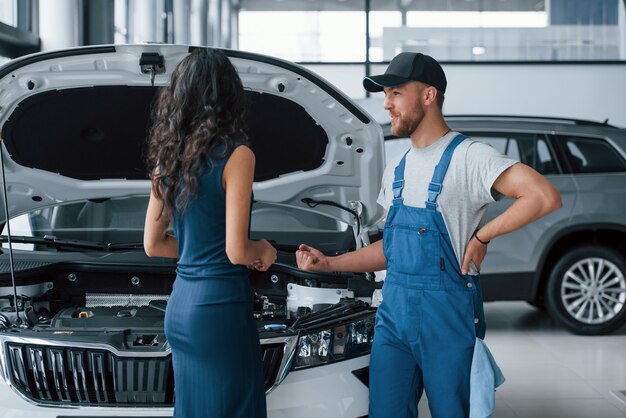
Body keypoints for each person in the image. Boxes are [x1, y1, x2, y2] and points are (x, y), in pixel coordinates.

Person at [296, 52, 562, 417]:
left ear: (428, 95)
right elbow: (391, 250)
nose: (386, 104)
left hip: (446, 318)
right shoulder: (397, 170)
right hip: (393, 315)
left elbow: (543, 196)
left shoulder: (470, 156)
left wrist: (483, 236)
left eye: (395, 93)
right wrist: (329, 264)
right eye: (385, 94)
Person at [143, 48, 276, 418]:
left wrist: (196, 251)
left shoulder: (166, 159)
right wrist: (263, 250)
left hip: (181, 308)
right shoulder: (238, 155)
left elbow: (153, 245)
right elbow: (237, 251)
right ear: (229, 96)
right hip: (219, 309)